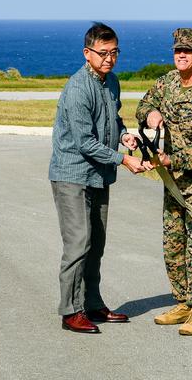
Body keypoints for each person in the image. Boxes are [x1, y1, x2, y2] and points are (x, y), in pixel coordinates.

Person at [49, 22, 151, 334]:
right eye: (103, 53)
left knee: (97, 245)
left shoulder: (112, 82)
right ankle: (71, 311)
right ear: (87, 53)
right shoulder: (79, 88)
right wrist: (124, 159)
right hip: (73, 175)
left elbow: (113, 119)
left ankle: (92, 304)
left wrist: (125, 138)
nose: (109, 58)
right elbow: (84, 142)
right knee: (79, 243)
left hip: (99, 175)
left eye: (114, 52)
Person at [135, 28, 192, 336]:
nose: (181, 55)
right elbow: (143, 104)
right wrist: (150, 115)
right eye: (178, 50)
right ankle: (184, 303)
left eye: (188, 51)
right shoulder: (166, 83)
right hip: (172, 179)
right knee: (173, 243)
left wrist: (167, 160)